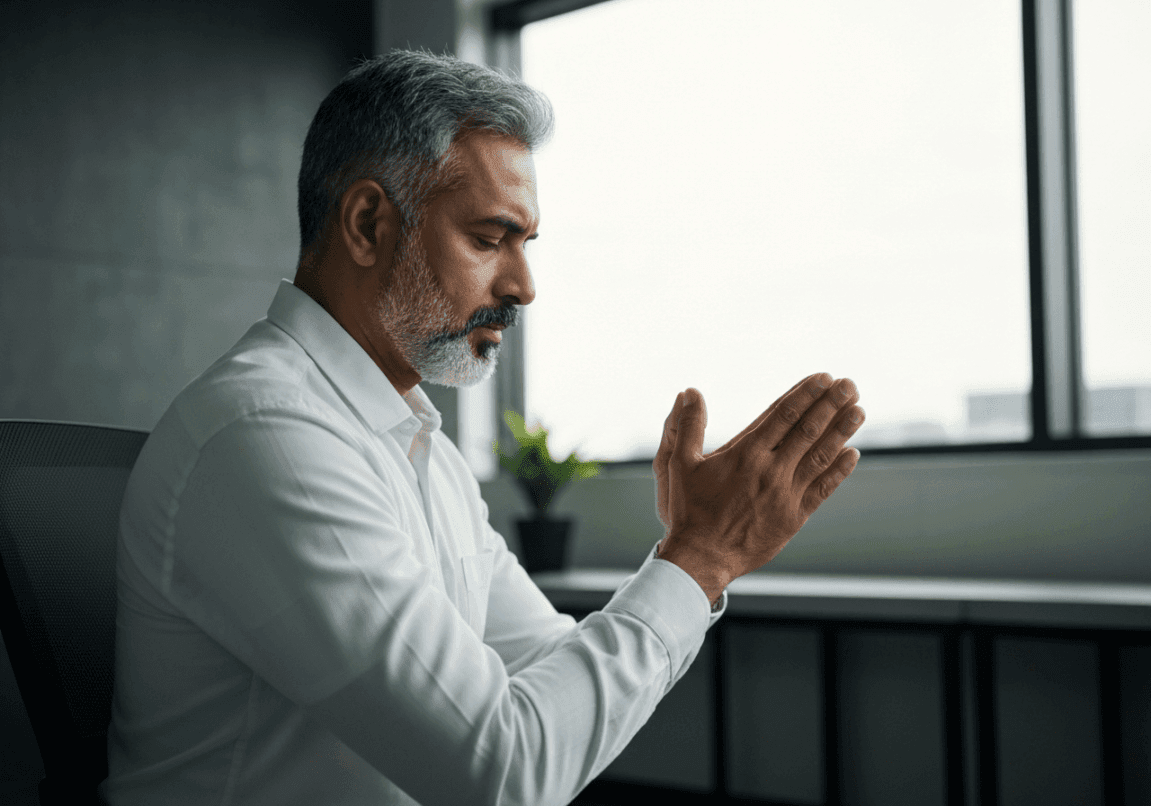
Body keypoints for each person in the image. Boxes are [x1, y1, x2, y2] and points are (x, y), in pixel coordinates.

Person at [102, 49, 864, 806]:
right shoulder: (268, 436)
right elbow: (505, 773)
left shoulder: (413, 446)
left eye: (525, 244)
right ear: (368, 225)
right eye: (488, 238)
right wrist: (698, 558)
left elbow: (549, 679)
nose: (523, 287)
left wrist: (692, 556)